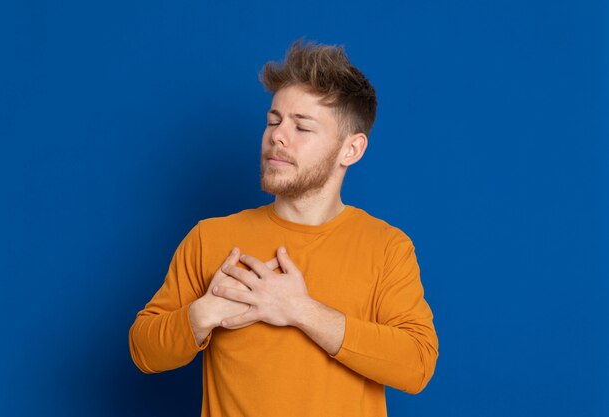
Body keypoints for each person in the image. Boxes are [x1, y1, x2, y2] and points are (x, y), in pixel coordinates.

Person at [129, 40, 438, 417]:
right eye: (273, 120)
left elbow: (417, 364)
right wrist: (201, 314)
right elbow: (143, 352)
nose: (277, 135)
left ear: (351, 150)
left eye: (301, 126)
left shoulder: (387, 247)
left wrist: (300, 310)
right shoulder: (211, 238)